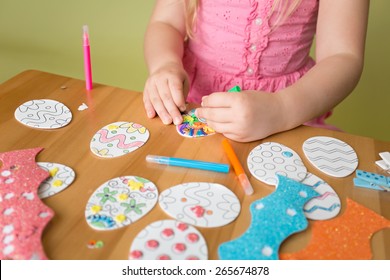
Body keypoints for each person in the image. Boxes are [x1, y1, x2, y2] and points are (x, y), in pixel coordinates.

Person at [142, 0, 369, 142]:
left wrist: (281, 109)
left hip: (289, 116)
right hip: (194, 106)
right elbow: (166, 24)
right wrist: (165, 64)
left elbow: (342, 57)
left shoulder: (284, 111)